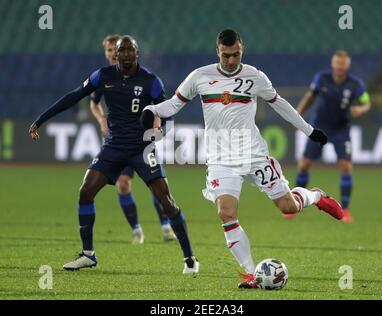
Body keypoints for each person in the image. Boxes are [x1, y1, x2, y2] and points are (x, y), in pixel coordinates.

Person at [141, 29, 343, 288]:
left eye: (236, 54)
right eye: (226, 55)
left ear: (242, 49)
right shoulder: (200, 76)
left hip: (253, 155)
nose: (232, 60)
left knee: (288, 207)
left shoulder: (254, 76)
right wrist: (151, 110)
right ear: (218, 51)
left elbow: (279, 103)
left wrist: (309, 130)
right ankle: (251, 273)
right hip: (220, 159)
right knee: (226, 213)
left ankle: (315, 196)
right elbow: (173, 104)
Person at [28, 35, 199, 274]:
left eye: (131, 50)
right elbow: (74, 96)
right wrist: (40, 120)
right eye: (122, 50)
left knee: (166, 202)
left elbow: (168, 112)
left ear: (137, 53)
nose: (126, 54)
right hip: (113, 147)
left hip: (142, 148)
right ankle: (88, 254)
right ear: (115, 54)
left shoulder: (151, 81)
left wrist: (160, 132)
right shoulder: (103, 76)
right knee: (86, 191)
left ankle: (189, 258)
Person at [90, 34, 176, 243]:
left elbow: (157, 105)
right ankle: (137, 230)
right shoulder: (105, 78)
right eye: (109, 51)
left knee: (155, 186)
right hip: (118, 142)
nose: (112, 54)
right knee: (123, 184)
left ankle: (166, 226)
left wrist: (156, 125)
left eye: (115, 50)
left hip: (140, 141)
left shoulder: (142, 77)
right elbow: (93, 102)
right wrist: (102, 120)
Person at [292, 51, 371, 222]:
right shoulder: (322, 79)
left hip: (341, 129)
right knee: (304, 164)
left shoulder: (356, 85)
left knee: (346, 167)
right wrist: (297, 114)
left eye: (343, 64)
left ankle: (346, 209)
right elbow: (310, 97)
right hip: (320, 127)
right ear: (332, 64)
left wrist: (361, 109)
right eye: (337, 63)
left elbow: (366, 102)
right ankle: (295, 203)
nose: (339, 66)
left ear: (347, 66)